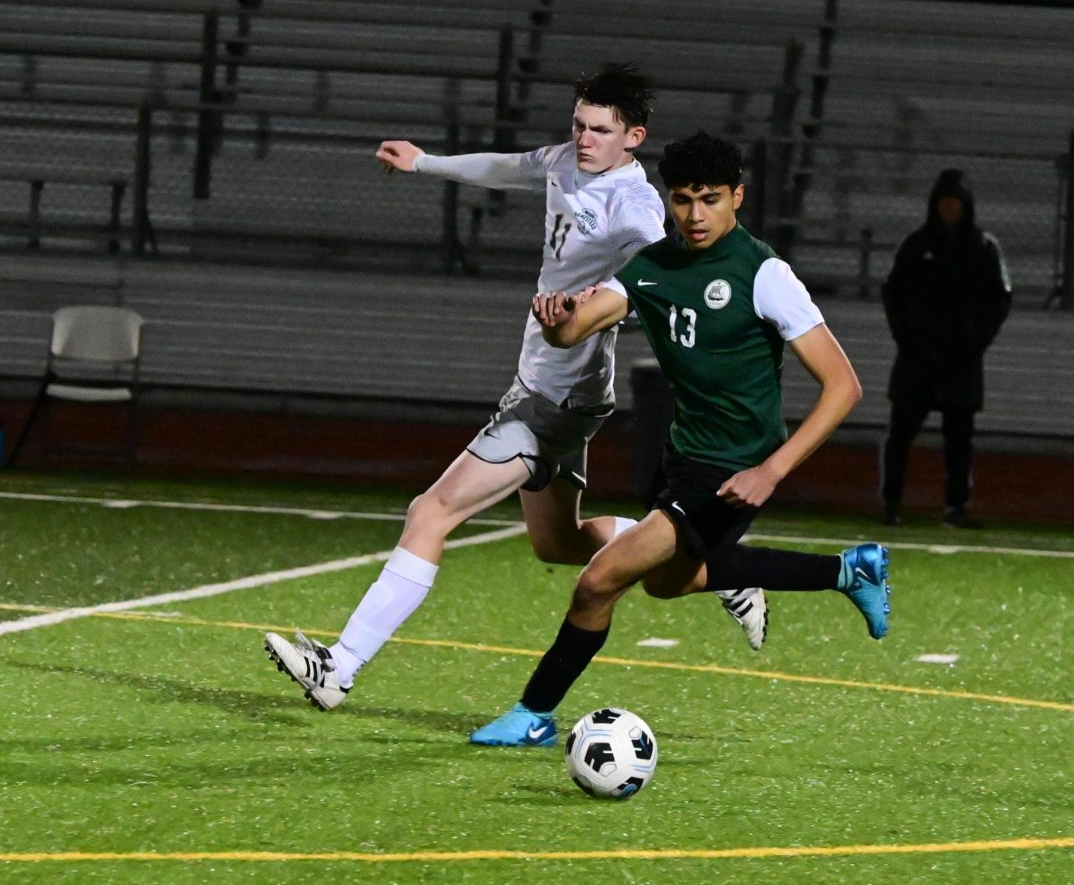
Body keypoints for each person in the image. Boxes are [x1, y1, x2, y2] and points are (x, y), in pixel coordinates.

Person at [264, 65, 768, 712]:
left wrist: (602, 307)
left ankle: (340, 665)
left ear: (633, 137)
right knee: (558, 543)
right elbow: (508, 166)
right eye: (579, 124)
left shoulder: (636, 206)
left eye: (601, 130)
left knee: (431, 510)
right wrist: (426, 163)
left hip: (551, 398)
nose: (584, 138)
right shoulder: (564, 160)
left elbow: (663, 281)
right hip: (558, 390)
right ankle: (712, 557)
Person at [470, 131, 891, 747]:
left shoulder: (763, 272)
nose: (695, 216)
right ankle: (848, 572)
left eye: (710, 200)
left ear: (737, 198)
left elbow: (843, 386)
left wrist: (770, 472)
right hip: (684, 457)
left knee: (598, 581)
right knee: (667, 581)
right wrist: (559, 326)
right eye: (683, 200)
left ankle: (533, 713)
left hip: (733, 467)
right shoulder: (653, 267)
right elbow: (579, 326)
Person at [879, 168, 1012, 529]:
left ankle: (955, 507)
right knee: (901, 432)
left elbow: (1000, 299)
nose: (950, 209)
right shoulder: (915, 245)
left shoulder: (984, 247)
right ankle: (891, 503)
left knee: (959, 439)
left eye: (956, 202)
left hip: (961, 360)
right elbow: (893, 292)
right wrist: (906, 336)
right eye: (945, 202)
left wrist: (976, 340)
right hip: (917, 357)